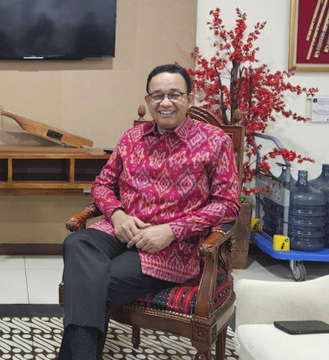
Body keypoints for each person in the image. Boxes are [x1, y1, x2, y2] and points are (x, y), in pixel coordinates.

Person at [58, 64, 240, 359]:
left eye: (174, 94)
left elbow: (227, 204)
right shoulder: (131, 138)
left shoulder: (215, 142)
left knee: (91, 283)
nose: (165, 102)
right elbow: (102, 185)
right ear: (147, 100)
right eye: (157, 95)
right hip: (122, 231)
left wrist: (171, 230)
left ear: (190, 99)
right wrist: (117, 215)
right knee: (76, 242)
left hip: (172, 248)